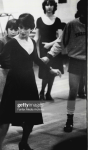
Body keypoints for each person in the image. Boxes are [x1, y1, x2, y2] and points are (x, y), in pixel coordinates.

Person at [0, 13, 61, 150]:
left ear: (32, 28)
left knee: (30, 117)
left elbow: (36, 60)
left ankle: (23, 142)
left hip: (29, 82)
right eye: (20, 27)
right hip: (14, 82)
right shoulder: (13, 42)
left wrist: (50, 70)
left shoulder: (32, 42)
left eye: (26, 28)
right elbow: (1, 57)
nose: (22, 31)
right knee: (6, 118)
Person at [41, 0, 86, 132]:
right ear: (81, 12)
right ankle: (69, 119)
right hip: (75, 61)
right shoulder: (72, 25)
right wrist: (48, 56)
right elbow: (60, 43)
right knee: (73, 92)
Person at [34, 0, 63, 101]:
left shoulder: (58, 20)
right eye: (47, 5)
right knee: (46, 72)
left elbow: (60, 38)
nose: (49, 7)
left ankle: (48, 93)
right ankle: (42, 92)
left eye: (51, 5)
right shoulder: (39, 20)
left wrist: (50, 44)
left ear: (54, 7)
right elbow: (37, 37)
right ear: (44, 7)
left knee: (53, 73)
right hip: (43, 49)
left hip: (54, 49)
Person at [0, 18, 18, 133]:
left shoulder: (21, 40)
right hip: (3, 72)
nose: (13, 31)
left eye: (16, 29)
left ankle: (22, 121)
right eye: (11, 29)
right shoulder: (2, 40)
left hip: (18, 72)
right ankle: (0, 123)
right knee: (1, 99)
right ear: (7, 29)